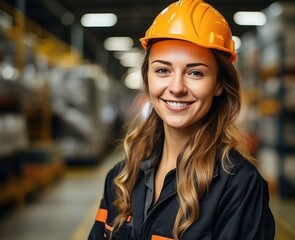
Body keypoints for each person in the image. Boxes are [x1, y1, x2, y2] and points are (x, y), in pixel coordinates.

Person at [88, 0, 275, 239]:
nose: (176, 88)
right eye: (163, 70)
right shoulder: (121, 177)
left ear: (219, 84)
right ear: (148, 78)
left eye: (195, 72)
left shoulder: (239, 186)